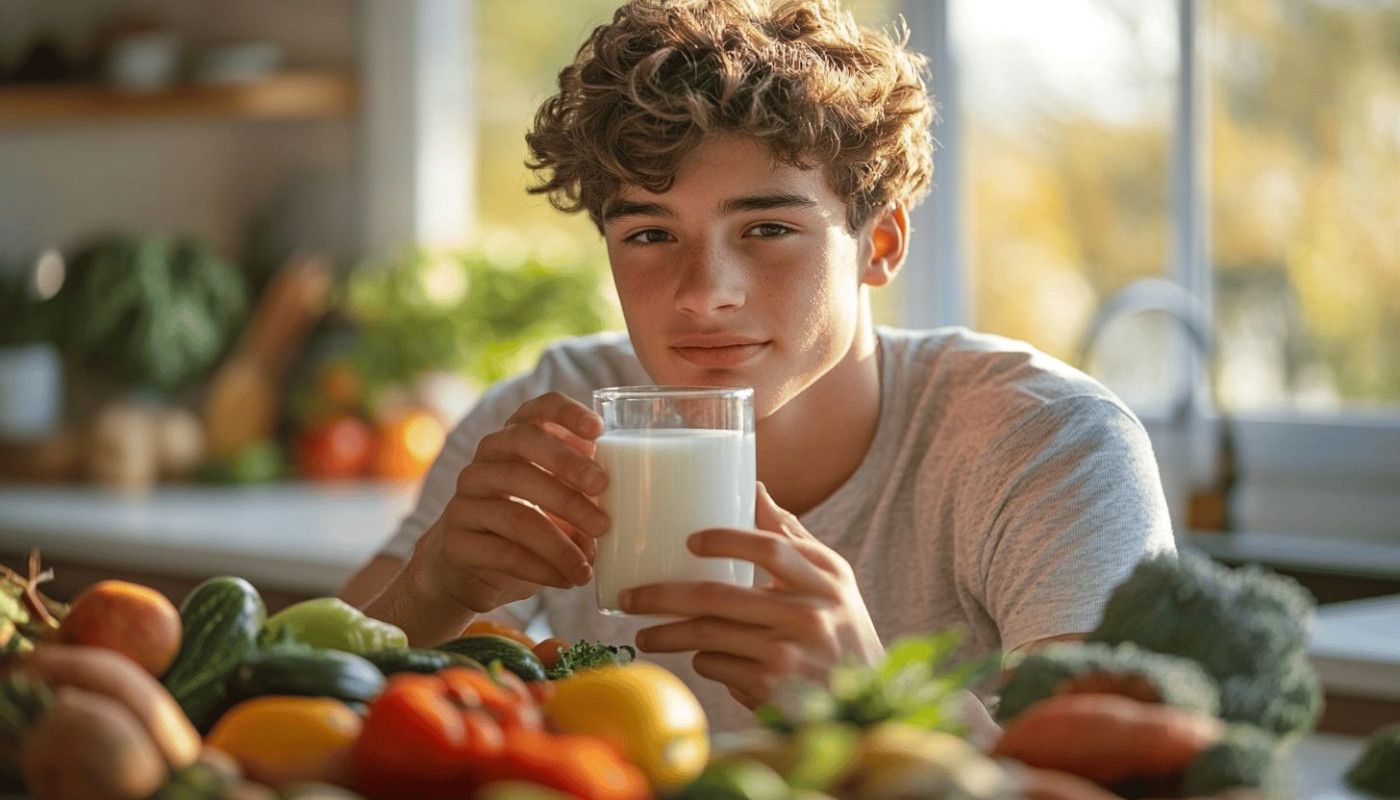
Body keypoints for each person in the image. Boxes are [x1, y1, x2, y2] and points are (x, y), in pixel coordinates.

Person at [339, 0, 1174, 735]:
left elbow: (1114, 781)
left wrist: (876, 694)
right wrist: (434, 589)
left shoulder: (1048, 444)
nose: (705, 296)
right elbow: (294, 724)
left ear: (877, 245)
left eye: (767, 230)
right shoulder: (550, 414)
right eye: (650, 235)